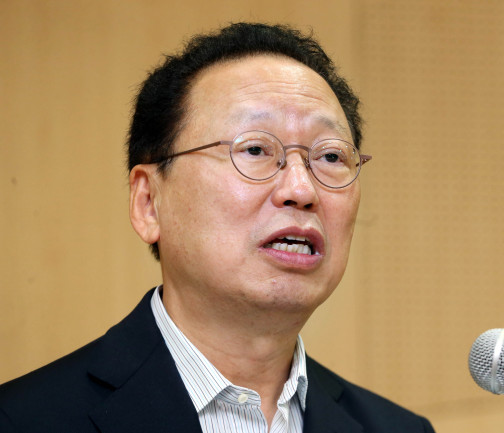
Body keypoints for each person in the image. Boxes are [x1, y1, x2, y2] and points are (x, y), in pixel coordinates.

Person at [0, 23, 434, 433]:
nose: (301, 189)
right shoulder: (23, 420)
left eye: (331, 157)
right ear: (149, 202)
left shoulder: (399, 429)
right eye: (256, 149)